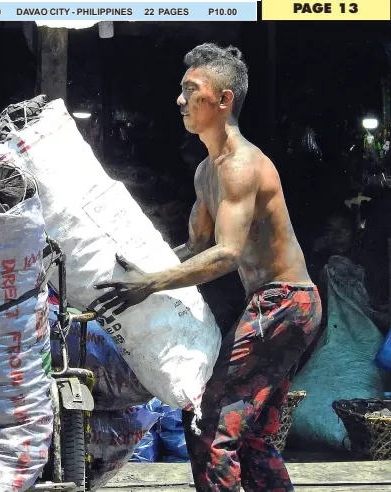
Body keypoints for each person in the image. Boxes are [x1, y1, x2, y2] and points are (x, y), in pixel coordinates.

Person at [92, 43, 323, 492]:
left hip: (285, 302)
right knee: (253, 436)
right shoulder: (205, 171)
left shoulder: (241, 165)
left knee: (208, 423)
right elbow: (197, 247)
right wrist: (139, 269)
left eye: (191, 90)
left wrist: (151, 283)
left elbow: (226, 254)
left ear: (223, 100)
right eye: (181, 90)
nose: (180, 100)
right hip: (280, 305)